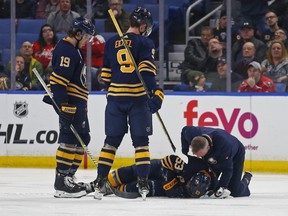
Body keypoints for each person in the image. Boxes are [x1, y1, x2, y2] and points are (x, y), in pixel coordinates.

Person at [90, 7, 163, 201]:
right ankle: (143, 182)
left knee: (110, 142)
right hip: (138, 100)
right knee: (141, 144)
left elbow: (104, 76)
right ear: (143, 26)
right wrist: (156, 92)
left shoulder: (112, 42)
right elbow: (147, 72)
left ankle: (100, 181)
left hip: (115, 99)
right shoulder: (145, 42)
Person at [43, 16, 96, 198]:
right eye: (87, 36)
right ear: (79, 33)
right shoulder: (67, 50)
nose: (88, 40)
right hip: (71, 104)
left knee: (83, 138)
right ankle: (62, 181)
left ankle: (69, 178)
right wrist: (62, 104)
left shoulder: (74, 50)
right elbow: (58, 82)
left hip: (78, 103)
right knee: (69, 140)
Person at [181, 126, 253, 198]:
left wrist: (221, 187)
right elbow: (184, 130)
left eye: (200, 154)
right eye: (194, 153)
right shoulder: (192, 134)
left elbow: (227, 170)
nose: (197, 156)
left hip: (236, 153)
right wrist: (184, 153)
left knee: (234, 190)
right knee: (210, 184)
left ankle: (246, 180)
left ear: (208, 148)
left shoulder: (224, 147)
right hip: (214, 153)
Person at [106, 154, 217, 198]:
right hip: (162, 168)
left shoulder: (205, 186)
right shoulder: (194, 166)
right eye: (188, 185)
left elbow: (170, 192)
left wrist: (172, 185)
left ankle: (111, 189)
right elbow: (169, 159)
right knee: (131, 172)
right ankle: (100, 183)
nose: (187, 186)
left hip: (166, 185)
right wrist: (172, 177)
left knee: (135, 188)